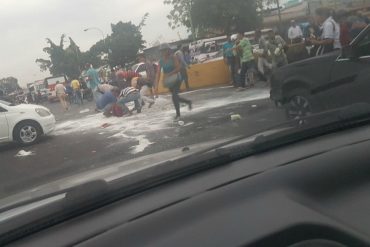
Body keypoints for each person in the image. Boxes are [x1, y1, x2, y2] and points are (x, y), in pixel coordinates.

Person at [156, 43, 192, 120]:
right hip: (169, 81)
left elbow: (178, 68)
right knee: (175, 96)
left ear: (168, 50)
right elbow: (158, 73)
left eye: (164, 50)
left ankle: (178, 115)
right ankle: (188, 102)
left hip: (177, 79)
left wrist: (169, 74)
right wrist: (156, 86)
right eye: (162, 51)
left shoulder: (173, 57)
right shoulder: (160, 61)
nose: (163, 52)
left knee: (174, 96)